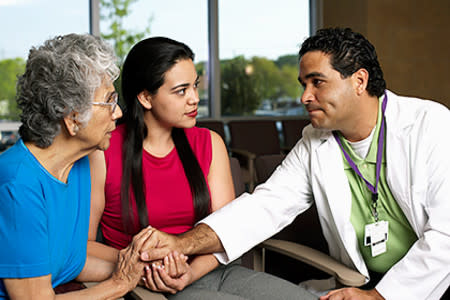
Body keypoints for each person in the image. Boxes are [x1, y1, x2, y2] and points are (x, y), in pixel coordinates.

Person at [138, 28, 450, 300]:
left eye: (317, 82)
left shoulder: (430, 126)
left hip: (434, 284)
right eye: (303, 84)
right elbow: (262, 209)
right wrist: (181, 243)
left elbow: (445, 237)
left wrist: (381, 296)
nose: (305, 96)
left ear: (359, 80)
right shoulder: (316, 142)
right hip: (366, 283)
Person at [87, 36, 316, 300]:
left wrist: (189, 273)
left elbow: (228, 229)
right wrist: (148, 264)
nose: (195, 98)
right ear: (145, 98)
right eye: (181, 90)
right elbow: (83, 248)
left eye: (195, 86)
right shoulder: (103, 150)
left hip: (213, 272)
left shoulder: (210, 143)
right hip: (145, 282)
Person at [0, 33, 153, 299]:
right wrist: (119, 284)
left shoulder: (80, 162)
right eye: (109, 101)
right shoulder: (18, 185)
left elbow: (74, 262)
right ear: (72, 118)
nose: (118, 113)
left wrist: (146, 267)